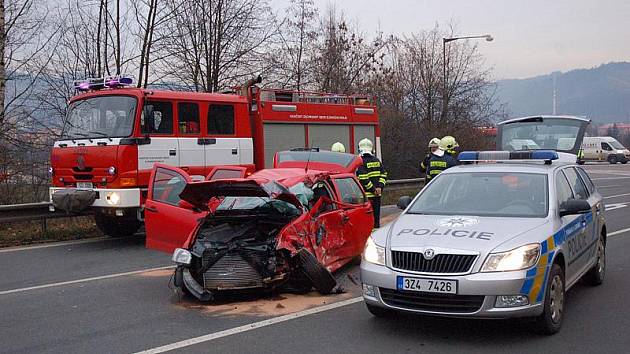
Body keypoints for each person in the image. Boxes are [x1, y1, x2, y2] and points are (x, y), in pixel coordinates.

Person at [356, 138, 387, 229]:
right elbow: (384, 174)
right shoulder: (377, 160)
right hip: (377, 196)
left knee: (366, 221)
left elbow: (363, 178)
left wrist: (373, 190)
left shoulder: (360, 161)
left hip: (366, 197)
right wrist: (379, 187)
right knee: (376, 220)